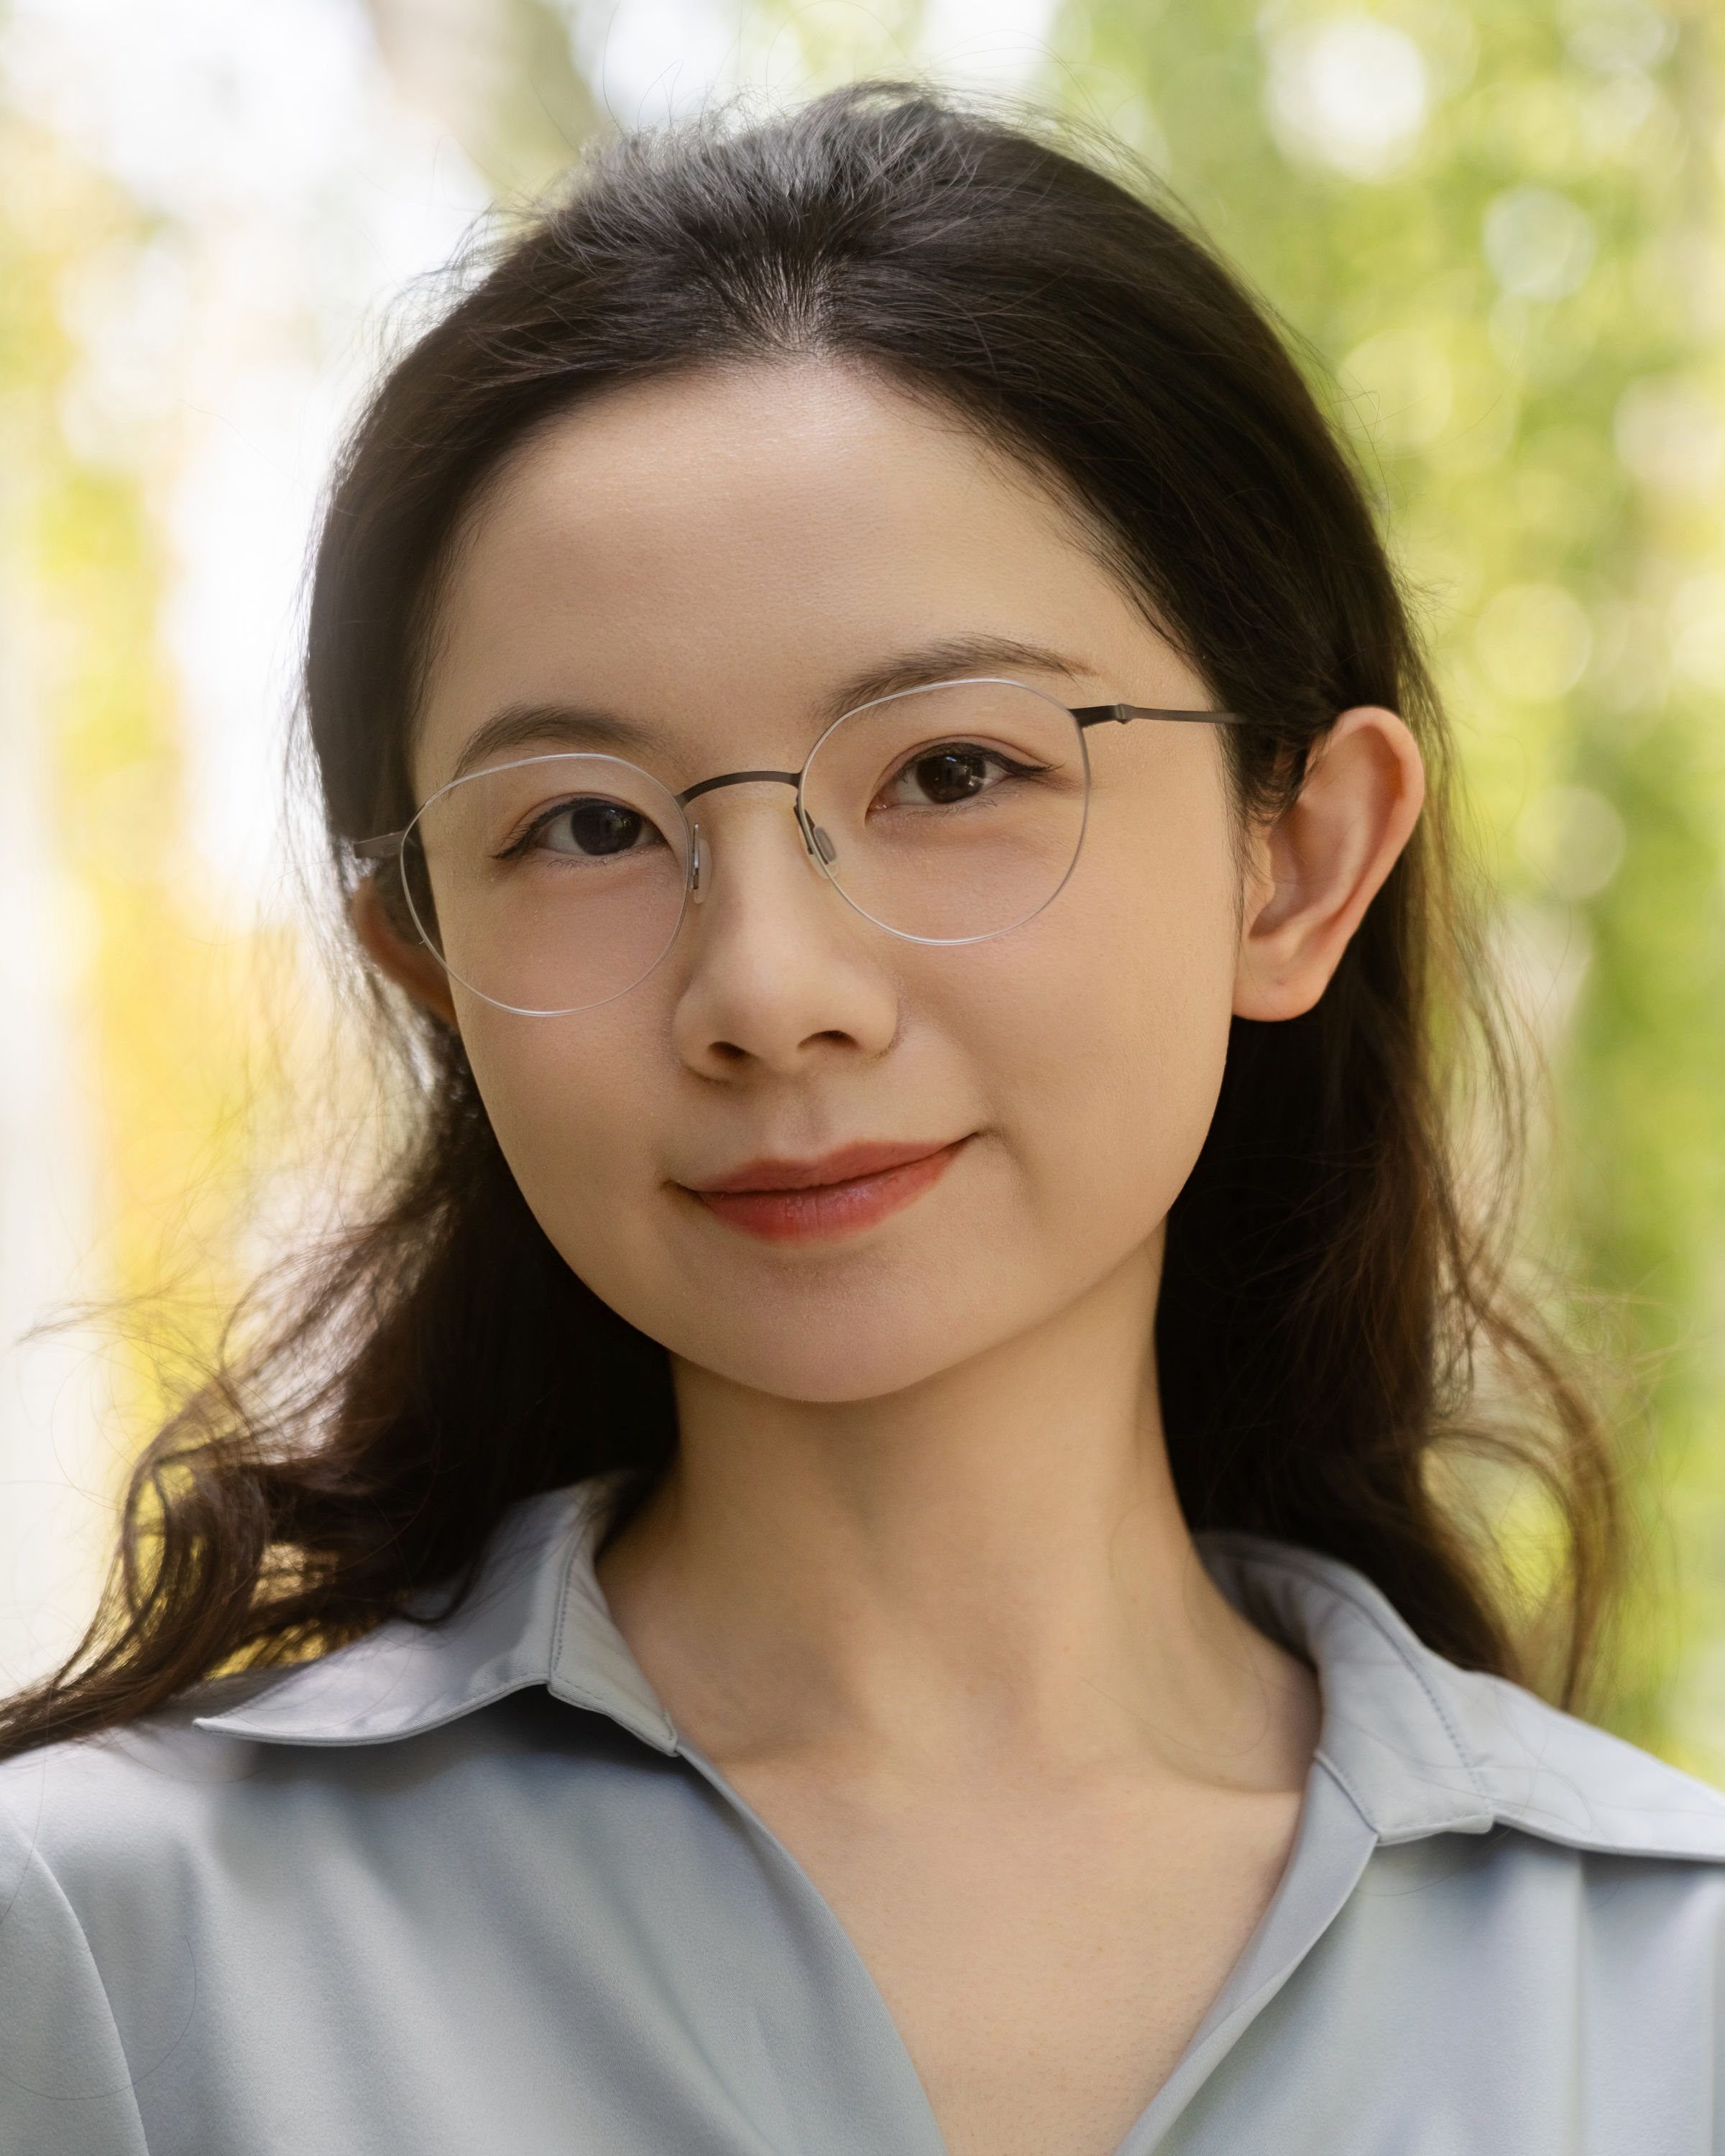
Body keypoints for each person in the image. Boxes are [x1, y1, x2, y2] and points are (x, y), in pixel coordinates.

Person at [3, 83, 1721, 2156]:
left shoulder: (1670, 1993)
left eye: (955, 774)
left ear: (1297, 863)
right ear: (428, 960)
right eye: (586, 826)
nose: (768, 993)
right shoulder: (101, 1951)